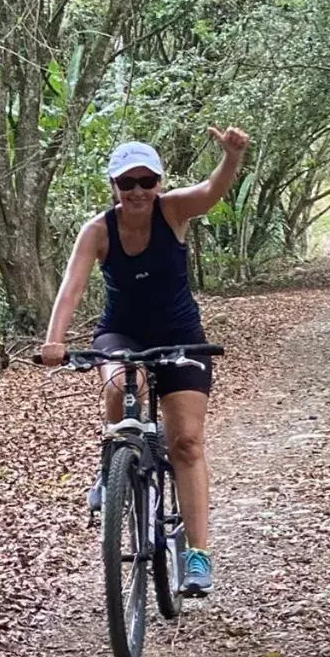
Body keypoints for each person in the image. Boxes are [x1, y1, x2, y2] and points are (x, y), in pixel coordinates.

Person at [40, 127, 250, 597]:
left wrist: (232, 158)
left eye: (146, 181)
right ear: (113, 186)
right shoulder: (98, 230)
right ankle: (112, 463)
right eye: (127, 183)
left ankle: (197, 554)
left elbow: (211, 191)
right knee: (118, 384)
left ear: (158, 182)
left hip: (180, 335)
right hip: (122, 332)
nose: (137, 191)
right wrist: (54, 342)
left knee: (188, 443)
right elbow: (71, 288)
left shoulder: (172, 211)